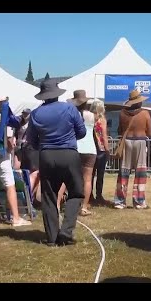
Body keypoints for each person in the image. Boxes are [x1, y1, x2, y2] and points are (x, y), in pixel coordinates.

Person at [26, 79, 86, 246]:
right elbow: (81, 132)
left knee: (49, 196)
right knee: (76, 192)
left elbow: (31, 140)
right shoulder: (69, 108)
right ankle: (66, 232)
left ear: (43, 96)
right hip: (68, 154)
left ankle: (52, 237)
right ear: (57, 93)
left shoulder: (36, 113)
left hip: (46, 155)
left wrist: (45, 146)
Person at [0, 98, 32, 227]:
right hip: (1, 153)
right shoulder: (5, 116)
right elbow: (16, 124)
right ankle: (16, 218)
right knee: (10, 184)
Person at [113, 89, 151, 210]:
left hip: (127, 141)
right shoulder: (145, 114)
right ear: (139, 102)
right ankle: (139, 201)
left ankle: (120, 201)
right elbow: (150, 132)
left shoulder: (122, 113)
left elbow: (120, 130)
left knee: (124, 172)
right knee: (140, 172)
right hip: (140, 141)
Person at [68, 90, 96, 216]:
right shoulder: (92, 116)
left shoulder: (72, 115)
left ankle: (66, 203)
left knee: (70, 178)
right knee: (88, 179)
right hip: (90, 149)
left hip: (76, 147)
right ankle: (84, 207)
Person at [90, 100, 111, 205]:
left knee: (90, 174)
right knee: (100, 174)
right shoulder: (102, 119)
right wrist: (108, 150)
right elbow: (104, 136)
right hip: (101, 149)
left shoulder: (89, 118)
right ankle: (99, 195)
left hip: (90, 148)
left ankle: (90, 196)